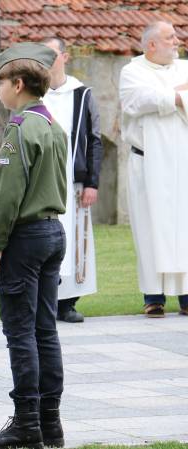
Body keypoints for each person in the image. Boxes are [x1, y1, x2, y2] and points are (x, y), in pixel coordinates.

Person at [0, 42, 67, 449]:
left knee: (20, 333)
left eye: (1, 83)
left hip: (26, 238)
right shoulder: (53, 126)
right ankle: (51, 423)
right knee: (45, 330)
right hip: (53, 232)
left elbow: (8, 196)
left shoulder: (19, 128)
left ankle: (27, 423)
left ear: (18, 84)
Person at [119, 21, 188, 318]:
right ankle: (154, 296)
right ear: (151, 45)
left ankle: (186, 295)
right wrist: (177, 95)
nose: (177, 40)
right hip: (145, 162)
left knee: (183, 228)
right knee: (148, 229)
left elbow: (152, 98)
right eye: (169, 37)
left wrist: (163, 93)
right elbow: (136, 101)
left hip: (181, 161)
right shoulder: (132, 71)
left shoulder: (184, 68)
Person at [41, 37, 103, 323]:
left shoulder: (82, 93)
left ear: (64, 57)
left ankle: (68, 303)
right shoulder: (35, 94)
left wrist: (92, 182)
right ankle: (45, 300)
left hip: (74, 179)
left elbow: (94, 139)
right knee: (44, 236)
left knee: (75, 239)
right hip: (45, 179)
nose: (48, 59)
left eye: (52, 54)